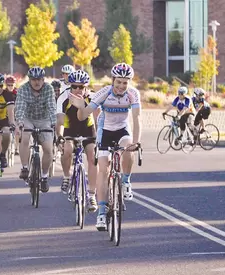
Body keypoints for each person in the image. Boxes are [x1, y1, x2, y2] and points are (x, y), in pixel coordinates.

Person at [71, 63, 141, 231]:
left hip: (123, 129)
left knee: (128, 150)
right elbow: (83, 116)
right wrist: (80, 107)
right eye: (118, 82)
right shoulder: (104, 93)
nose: (121, 86)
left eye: (125, 83)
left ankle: (125, 181)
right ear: (113, 80)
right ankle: (102, 212)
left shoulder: (133, 94)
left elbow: (137, 120)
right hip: (105, 130)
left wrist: (136, 143)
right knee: (104, 168)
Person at [56, 70, 98, 212]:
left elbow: (99, 119)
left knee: (93, 157)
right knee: (67, 149)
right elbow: (60, 121)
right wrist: (60, 137)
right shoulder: (63, 97)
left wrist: (100, 136)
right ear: (70, 86)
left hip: (88, 129)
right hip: (70, 129)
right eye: (75, 86)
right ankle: (67, 176)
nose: (78, 89)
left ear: (86, 86)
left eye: (81, 87)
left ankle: (92, 194)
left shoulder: (93, 97)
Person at [14, 66, 56, 193]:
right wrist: (20, 122)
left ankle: (43, 177)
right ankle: (25, 168)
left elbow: (51, 107)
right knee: (25, 136)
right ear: (29, 80)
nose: (37, 82)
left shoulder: (49, 89)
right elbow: (20, 107)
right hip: (28, 118)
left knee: (48, 149)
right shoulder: (23, 89)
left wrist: (53, 124)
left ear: (43, 80)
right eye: (33, 79)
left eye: (39, 79)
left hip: (44, 119)